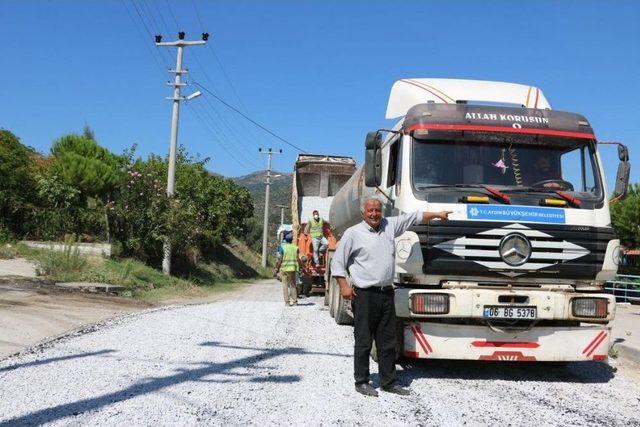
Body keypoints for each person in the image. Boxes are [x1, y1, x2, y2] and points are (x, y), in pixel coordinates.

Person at [331, 197, 450, 397]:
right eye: (370, 210)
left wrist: (437, 215)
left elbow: (414, 217)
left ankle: (388, 382)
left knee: (387, 341)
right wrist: (344, 286)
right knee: (363, 340)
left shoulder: (390, 226)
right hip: (365, 295)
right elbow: (337, 263)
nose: (374, 214)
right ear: (363, 213)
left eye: (377, 210)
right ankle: (361, 381)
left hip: (386, 293)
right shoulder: (353, 234)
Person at [275, 233, 303, 306]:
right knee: (293, 285)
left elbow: (280, 259)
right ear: (292, 240)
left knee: (285, 285)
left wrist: (277, 268)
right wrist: (301, 266)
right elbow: (297, 258)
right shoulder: (295, 248)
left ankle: (287, 302)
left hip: (284, 269)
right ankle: (295, 302)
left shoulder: (282, 248)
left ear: (285, 240)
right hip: (293, 269)